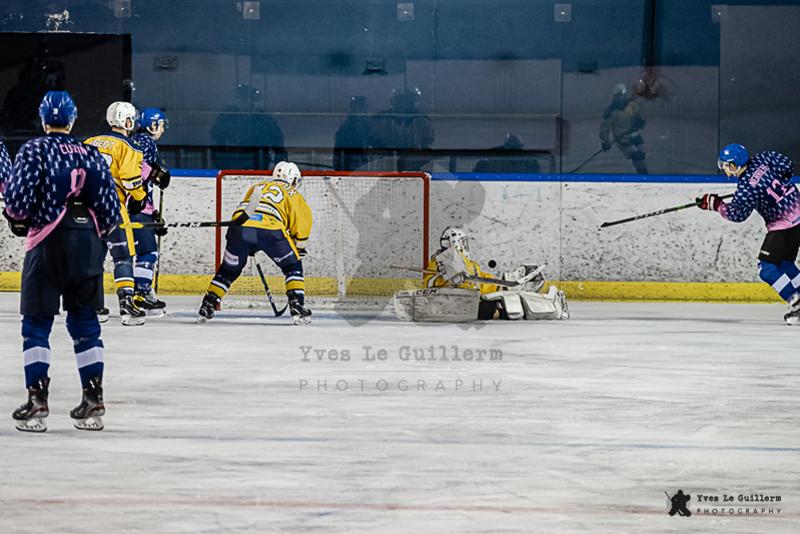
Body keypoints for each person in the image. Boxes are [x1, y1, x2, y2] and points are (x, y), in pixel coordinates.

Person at [3, 91, 120, 432]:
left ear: (43, 119)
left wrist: (18, 219)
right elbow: (111, 211)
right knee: (86, 323)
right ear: (72, 119)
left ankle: (37, 401)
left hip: (48, 244)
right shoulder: (92, 153)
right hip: (88, 246)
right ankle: (93, 398)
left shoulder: (35, 149)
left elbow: (17, 204)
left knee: (36, 324)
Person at [198, 161, 313, 325]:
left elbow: (248, 210)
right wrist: (299, 246)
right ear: (293, 179)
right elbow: (302, 223)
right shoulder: (292, 192)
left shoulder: (257, 186)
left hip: (238, 228)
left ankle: (208, 304)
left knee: (229, 270)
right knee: (292, 266)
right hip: (270, 229)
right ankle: (296, 305)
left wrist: (250, 242)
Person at [698, 143, 800, 324]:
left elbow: (737, 214)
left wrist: (716, 204)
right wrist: (766, 184)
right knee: (784, 264)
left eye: (726, 166)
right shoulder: (764, 158)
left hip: (784, 225)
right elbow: (788, 167)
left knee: (766, 268)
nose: (726, 171)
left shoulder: (746, 188)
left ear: (734, 164)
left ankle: (796, 302)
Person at [394, 227, 569, 322]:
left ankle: (531, 296)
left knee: (506, 300)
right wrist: (455, 279)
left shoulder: (465, 262)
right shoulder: (447, 257)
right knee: (509, 305)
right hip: (460, 300)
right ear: (456, 242)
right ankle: (552, 307)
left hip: (470, 298)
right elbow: (441, 283)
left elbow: (479, 280)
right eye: (463, 242)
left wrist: (502, 282)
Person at [85, 102, 149, 326]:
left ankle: (94, 308)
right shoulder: (129, 146)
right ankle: (127, 306)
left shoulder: (89, 142)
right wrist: (140, 198)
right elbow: (131, 181)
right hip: (112, 205)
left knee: (93, 258)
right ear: (126, 120)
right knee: (123, 256)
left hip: (85, 207)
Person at [130, 107, 171, 315]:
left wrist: (153, 212)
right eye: (161, 125)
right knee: (148, 252)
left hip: (132, 206)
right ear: (152, 125)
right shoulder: (146, 141)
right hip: (135, 207)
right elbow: (137, 168)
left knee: (131, 255)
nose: (162, 129)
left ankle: (140, 293)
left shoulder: (135, 140)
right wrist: (155, 173)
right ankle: (142, 293)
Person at [599, 83, 648, 174]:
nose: (620, 99)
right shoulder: (612, 112)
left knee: (641, 154)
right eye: (618, 96)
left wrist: (640, 122)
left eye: (621, 96)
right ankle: (643, 173)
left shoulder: (632, 105)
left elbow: (638, 115)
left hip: (635, 134)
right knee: (637, 155)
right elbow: (604, 128)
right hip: (623, 138)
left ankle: (643, 173)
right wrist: (605, 142)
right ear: (615, 97)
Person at [333, 96, 372, 171]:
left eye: (364, 108)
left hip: (365, 166)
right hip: (351, 167)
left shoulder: (368, 125)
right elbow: (339, 153)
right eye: (360, 108)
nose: (363, 111)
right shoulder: (346, 128)